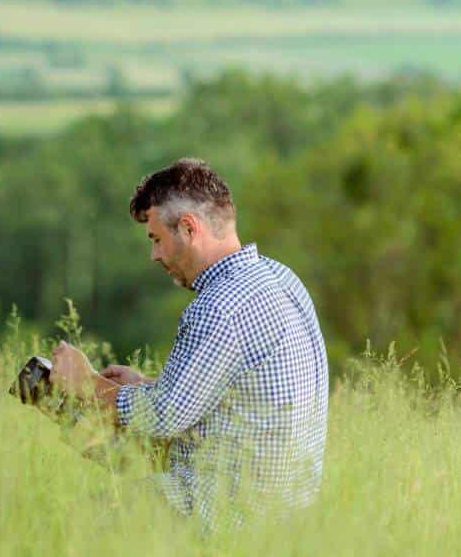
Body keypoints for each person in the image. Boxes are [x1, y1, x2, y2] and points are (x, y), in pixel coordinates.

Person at [50, 158, 328, 528]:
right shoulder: (280, 279)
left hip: (225, 508)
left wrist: (86, 384)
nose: (154, 256)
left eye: (156, 240)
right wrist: (147, 385)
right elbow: (247, 400)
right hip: (287, 509)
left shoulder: (218, 305)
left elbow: (164, 416)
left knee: (73, 523)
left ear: (188, 227)